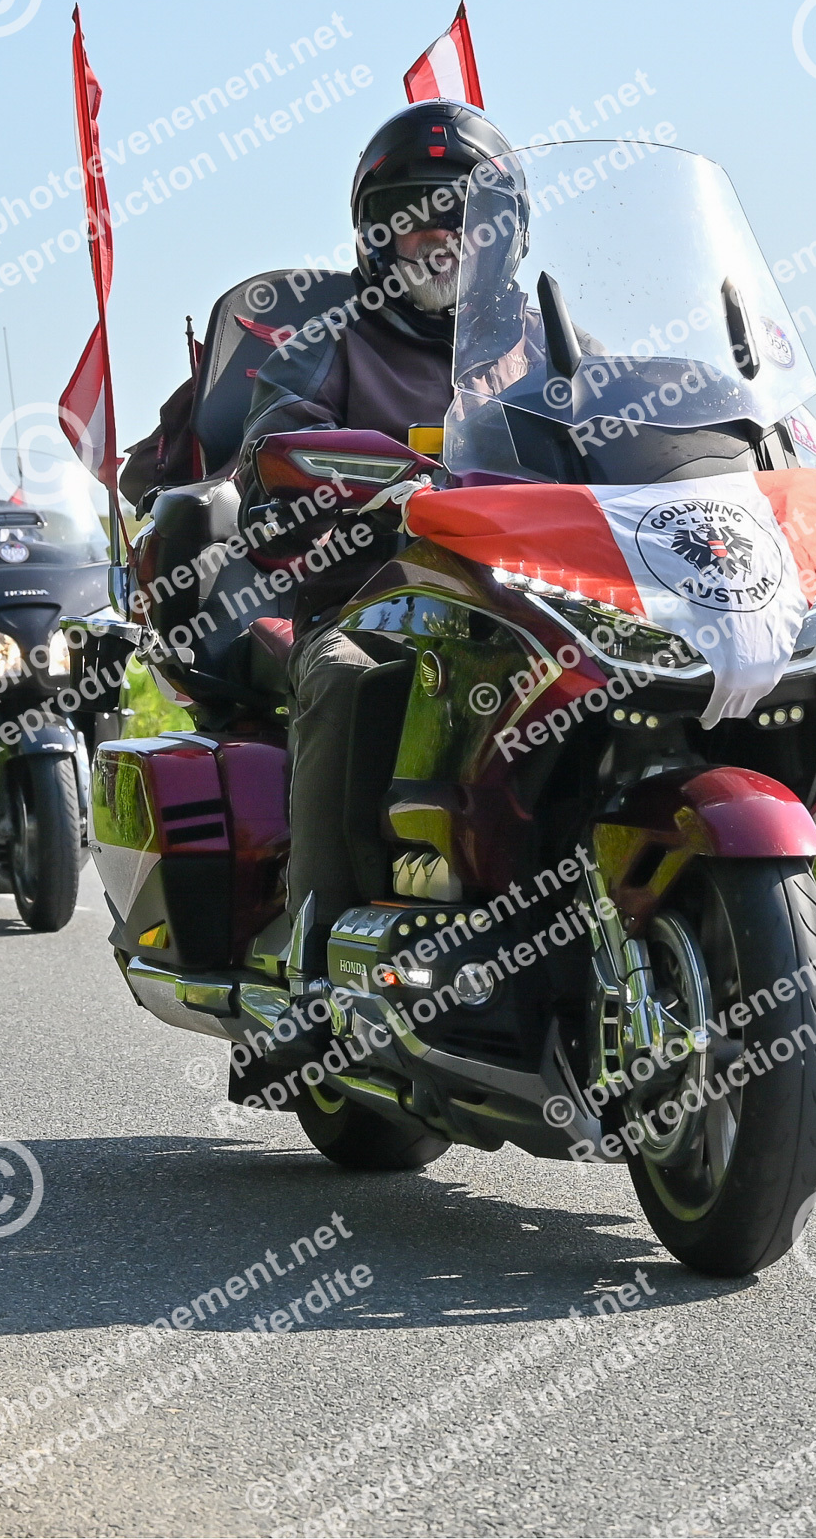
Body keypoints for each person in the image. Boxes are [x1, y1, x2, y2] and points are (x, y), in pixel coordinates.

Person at [238, 99, 518, 987]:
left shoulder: (548, 343)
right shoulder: (333, 343)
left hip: (539, 605)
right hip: (375, 603)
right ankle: (317, 955)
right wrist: (309, 463)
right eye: (416, 216)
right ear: (376, 234)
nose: (442, 237)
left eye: (466, 217)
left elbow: (644, 421)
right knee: (351, 676)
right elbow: (274, 440)